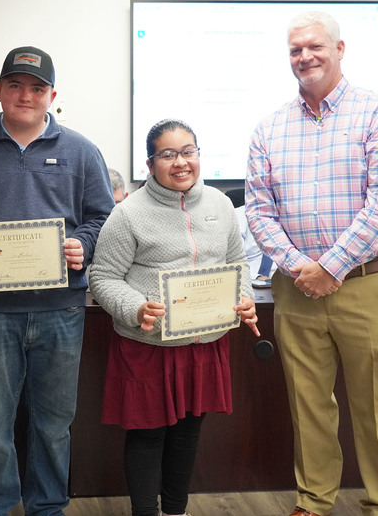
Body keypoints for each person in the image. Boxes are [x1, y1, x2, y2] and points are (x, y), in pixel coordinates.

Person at [0, 46, 114, 516]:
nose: (25, 95)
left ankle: (47, 507)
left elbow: (101, 218)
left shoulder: (81, 150)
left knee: (54, 423)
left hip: (61, 311)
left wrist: (84, 245)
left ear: (52, 94)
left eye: (37, 88)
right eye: (15, 85)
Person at [245, 11, 378, 516]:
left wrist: (332, 266)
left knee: (375, 408)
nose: (305, 57)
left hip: (365, 283)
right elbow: (258, 210)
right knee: (308, 405)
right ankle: (314, 502)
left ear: (341, 49)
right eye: (295, 50)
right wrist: (301, 267)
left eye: (315, 47)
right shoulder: (269, 127)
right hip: (296, 288)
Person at [89, 119, 260, 516]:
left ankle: (176, 511)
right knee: (148, 435)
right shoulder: (128, 214)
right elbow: (103, 277)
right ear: (151, 165)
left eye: (188, 152)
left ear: (199, 155)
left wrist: (245, 297)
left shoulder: (220, 204)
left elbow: (237, 263)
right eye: (168, 155)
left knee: (188, 432)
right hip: (149, 345)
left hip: (204, 342)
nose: (180, 162)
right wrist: (136, 308)